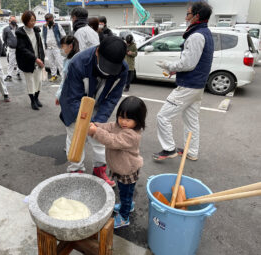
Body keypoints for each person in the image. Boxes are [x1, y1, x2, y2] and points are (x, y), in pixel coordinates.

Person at [59, 36, 128, 187]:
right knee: (75, 136)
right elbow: (73, 97)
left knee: (99, 137)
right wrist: (84, 122)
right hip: (75, 103)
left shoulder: (122, 69)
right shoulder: (78, 62)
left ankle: (99, 169)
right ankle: (75, 170)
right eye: (105, 66)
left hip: (99, 102)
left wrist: (98, 121)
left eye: (112, 69)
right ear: (97, 52)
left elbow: (113, 98)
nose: (108, 72)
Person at [153, 1, 214, 161]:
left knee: (162, 116)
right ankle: (191, 151)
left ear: (196, 16)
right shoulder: (205, 32)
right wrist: (174, 69)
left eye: (188, 13)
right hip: (197, 85)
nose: (186, 17)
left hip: (188, 86)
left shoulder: (196, 36)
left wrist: (168, 65)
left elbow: (188, 63)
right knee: (191, 121)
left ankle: (169, 149)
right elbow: (195, 62)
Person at [88, 96, 147, 228]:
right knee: (124, 191)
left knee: (125, 193)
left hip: (128, 170)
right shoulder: (117, 125)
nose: (123, 122)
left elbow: (113, 141)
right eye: (121, 117)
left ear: (138, 120)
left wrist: (96, 132)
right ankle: (128, 205)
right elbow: (108, 127)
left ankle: (124, 217)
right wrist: (96, 125)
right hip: (121, 167)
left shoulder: (132, 135)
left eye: (128, 119)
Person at [16, 11, 45, 110]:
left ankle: (36, 98)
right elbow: (23, 49)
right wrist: (35, 59)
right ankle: (32, 101)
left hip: (38, 60)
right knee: (30, 82)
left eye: (34, 20)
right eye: (31, 20)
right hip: (27, 61)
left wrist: (42, 59)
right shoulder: (20, 34)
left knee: (38, 81)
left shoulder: (36, 31)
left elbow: (40, 46)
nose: (33, 22)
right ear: (25, 21)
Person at [55, 35, 80, 105]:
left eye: (62, 46)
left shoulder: (72, 62)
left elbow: (66, 81)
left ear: (70, 46)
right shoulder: (69, 60)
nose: (61, 49)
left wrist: (59, 95)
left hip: (72, 97)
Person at [42, 13, 66, 82]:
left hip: (56, 47)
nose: (49, 21)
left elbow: (63, 35)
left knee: (60, 62)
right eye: (47, 20)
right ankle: (54, 76)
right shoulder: (44, 27)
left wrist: (62, 44)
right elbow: (43, 37)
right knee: (51, 62)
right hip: (48, 48)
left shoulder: (57, 26)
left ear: (52, 19)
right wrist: (44, 46)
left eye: (50, 19)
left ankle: (63, 76)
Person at [3, 16, 21, 82]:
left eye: (15, 20)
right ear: (10, 21)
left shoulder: (19, 28)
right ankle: (9, 75)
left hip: (19, 48)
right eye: (13, 20)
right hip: (11, 48)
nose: (14, 21)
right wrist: (6, 44)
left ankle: (18, 72)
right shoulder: (6, 29)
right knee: (11, 62)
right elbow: (4, 38)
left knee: (19, 61)